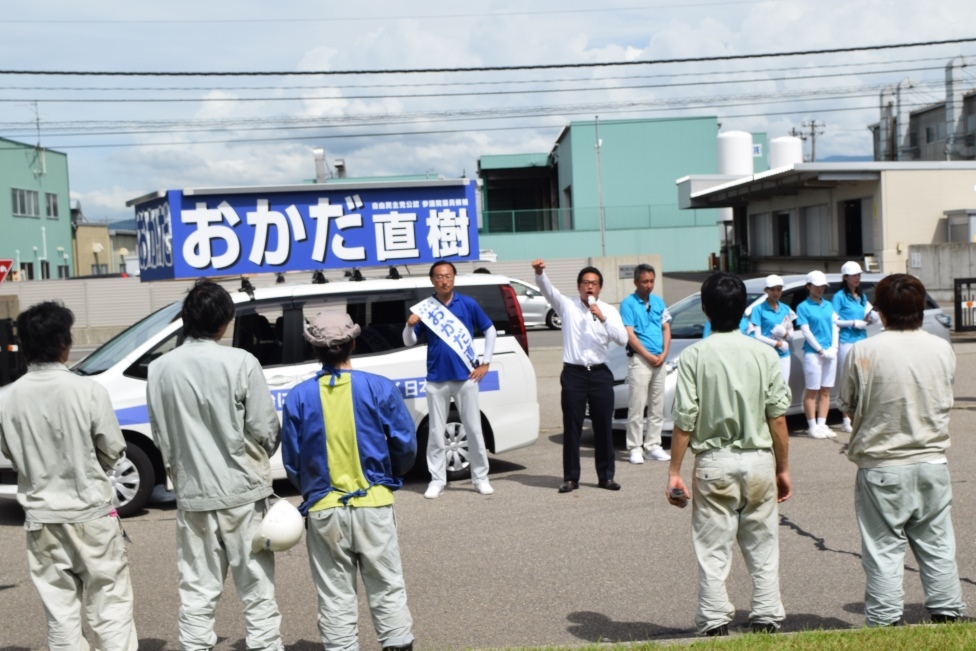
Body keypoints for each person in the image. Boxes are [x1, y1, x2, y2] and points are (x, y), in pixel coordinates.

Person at [146, 281, 284, 651]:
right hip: (242, 490)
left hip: (192, 493)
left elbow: (160, 433)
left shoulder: (159, 369)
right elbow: (265, 429)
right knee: (256, 587)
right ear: (225, 320)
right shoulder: (241, 361)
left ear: (188, 319)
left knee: (196, 589)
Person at [0, 301, 139, 651]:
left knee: (60, 613)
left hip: (42, 518)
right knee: (111, 607)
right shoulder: (89, 391)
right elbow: (113, 450)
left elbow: (9, 453)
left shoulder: (6, 398)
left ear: (27, 348)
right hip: (92, 513)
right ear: (65, 344)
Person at [282, 311, 417, 651]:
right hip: (374, 502)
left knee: (335, 596)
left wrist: (314, 490)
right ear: (352, 344)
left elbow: (293, 462)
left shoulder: (298, 397)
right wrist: (389, 477)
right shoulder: (379, 387)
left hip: (324, 510)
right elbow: (405, 445)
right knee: (387, 588)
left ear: (314, 350)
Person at [666, 272, 792, 637]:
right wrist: (783, 468)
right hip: (758, 459)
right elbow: (778, 417)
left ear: (705, 309)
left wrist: (674, 470)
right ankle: (766, 616)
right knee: (763, 545)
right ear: (743, 309)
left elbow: (685, 419)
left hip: (713, 462)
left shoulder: (694, 356)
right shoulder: (764, 353)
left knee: (712, 549)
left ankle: (714, 621)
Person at [839, 274, 965, 628]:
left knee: (882, 551)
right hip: (931, 460)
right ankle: (948, 613)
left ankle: (884, 622)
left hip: (881, 463)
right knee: (937, 544)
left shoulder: (864, 350)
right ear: (920, 309)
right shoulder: (941, 348)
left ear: (880, 312)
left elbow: (847, 404)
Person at [532, 259, 628, 492]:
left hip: (600, 374)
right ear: (578, 286)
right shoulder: (567, 306)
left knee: (603, 427)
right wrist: (539, 274)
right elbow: (548, 291)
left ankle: (606, 476)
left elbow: (623, 339)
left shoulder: (608, 311)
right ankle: (570, 478)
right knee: (572, 427)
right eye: (585, 283)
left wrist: (602, 318)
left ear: (600, 288)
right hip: (574, 374)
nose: (589, 287)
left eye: (594, 283)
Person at [403, 260, 496, 499]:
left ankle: (480, 478)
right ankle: (437, 480)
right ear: (432, 280)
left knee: (474, 429)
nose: (444, 280)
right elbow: (409, 341)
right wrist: (409, 325)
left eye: (448, 276)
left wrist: (485, 362)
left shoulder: (468, 303)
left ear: (453, 278)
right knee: (436, 432)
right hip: (436, 379)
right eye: (439, 277)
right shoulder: (425, 309)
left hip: (466, 377)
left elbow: (490, 330)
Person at [620, 263, 672, 464]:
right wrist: (647, 355)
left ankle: (653, 445)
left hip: (659, 360)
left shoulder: (659, 302)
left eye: (651, 281)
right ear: (636, 282)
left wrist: (664, 353)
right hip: (641, 360)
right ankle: (635, 447)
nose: (649, 285)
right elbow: (630, 334)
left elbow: (666, 328)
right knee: (637, 405)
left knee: (657, 406)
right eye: (644, 281)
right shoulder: (628, 304)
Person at [832, 261, 877, 434]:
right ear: (845, 277)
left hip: (861, 339)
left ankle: (861, 415)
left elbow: (866, 315)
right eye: (854, 275)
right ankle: (845, 419)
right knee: (847, 379)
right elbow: (834, 320)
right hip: (846, 340)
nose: (857, 278)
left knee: (862, 378)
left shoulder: (862, 296)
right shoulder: (839, 297)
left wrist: (872, 317)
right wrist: (851, 322)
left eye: (859, 275)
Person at [795, 270, 838, 439]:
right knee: (812, 390)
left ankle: (822, 424)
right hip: (813, 353)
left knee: (826, 390)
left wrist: (833, 347)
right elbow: (806, 331)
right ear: (808, 287)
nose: (820, 289)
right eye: (817, 286)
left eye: (822, 286)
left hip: (830, 352)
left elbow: (835, 326)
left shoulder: (828, 305)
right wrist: (820, 349)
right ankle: (812, 426)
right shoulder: (803, 307)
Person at [750, 274, 795, 384]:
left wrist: (785, 334)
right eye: (772, 290)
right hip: (766, 354)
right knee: (768, 387)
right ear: (766, 290)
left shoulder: (786, 308)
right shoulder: (758, 309)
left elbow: (790, 334)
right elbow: (757, 335)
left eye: (779, 290)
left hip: (784, 354)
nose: (776, 293)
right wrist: (777, 344)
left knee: (783, 387)